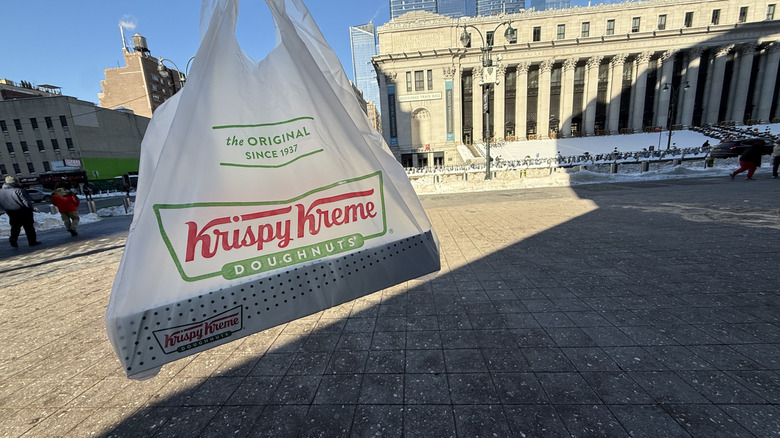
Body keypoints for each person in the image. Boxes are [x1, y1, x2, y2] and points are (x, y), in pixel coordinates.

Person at [0, 176, 41, 248]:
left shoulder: (1, 192)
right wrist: (32, 208)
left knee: (15, 227)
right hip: (24, 211)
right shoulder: (19, 190)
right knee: (29, 227)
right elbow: (26, 201)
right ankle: (32, 241)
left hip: (11, 212)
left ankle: (13, 238)